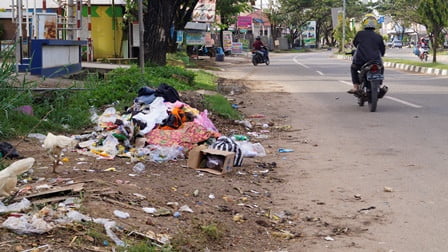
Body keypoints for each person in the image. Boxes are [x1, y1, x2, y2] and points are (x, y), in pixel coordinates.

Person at [348, 14, 385, 94]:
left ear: (364, 24)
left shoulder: (360, 34)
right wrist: (380, 55)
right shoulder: (378, 37)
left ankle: (356, 87)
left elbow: (355, 44)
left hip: (361, 60)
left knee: (353, 68)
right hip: (375, 60)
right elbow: (382, 50)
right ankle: (379, 84)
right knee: (381, 68)